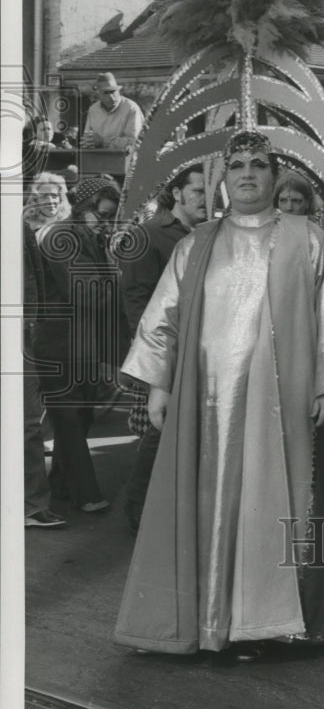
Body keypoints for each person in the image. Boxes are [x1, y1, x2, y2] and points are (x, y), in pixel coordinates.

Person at [114, 131, 324, 657]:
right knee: (212, 503)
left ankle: (277, 624)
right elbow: (163, 320)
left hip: (288, 405)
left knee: (282, 505)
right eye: (237, 166)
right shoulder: (196, 244)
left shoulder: (309, 238)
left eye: (258, 164)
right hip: (210, 407)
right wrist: (159, 387)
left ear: (274, 177)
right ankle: (213, 622)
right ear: (222, 180)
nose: (247, 173)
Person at [118, 166, 207, 532]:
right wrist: (154, 359)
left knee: (176, 431)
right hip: (165, 351)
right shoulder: (149, 234)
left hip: (197, 348)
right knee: (158, 430)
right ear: (177, 194)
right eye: (199, 191)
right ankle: (137, 510)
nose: (206, 198)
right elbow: (136, 301)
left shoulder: (202, 234)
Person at [37, 175, 126, 512]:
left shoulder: (93, 237)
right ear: (82, 208)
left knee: (82, 416)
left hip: (85, 343)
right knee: (70, 419)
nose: (106, 222)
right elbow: (87, 293)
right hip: (57, 344)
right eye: (101, 215)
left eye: (110, 216)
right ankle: (86, 493)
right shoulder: (60, 236)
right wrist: (120, 276)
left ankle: (60, 484)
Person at [23, 223, 67, 528]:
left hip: (18, 332)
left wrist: (32, 320)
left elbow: (36, 274)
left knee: (27, 422)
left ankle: (32, 504)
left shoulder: (17, 222)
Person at [82, 72, 144, 150]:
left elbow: (136, 142)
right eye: (106, 93)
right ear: (99, 94)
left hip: (123, 160)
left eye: (113, 91)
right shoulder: (93, 110)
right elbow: (87, 139)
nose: (111, 97)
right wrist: (87, 143)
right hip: (98, 159)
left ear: (118, 91)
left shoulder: (131, 108)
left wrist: (104, 142)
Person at [24, 171, 72, 244]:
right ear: (35, 201)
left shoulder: (71, 224)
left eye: (54, 196)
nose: (50, 201)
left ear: (61, 199)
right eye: (44, 197)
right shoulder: (27, 227)